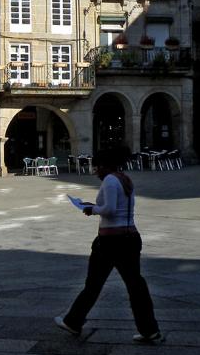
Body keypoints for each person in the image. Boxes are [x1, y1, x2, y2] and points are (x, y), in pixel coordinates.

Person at [55, 147, 162, 344]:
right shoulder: (124, 178)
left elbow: (110, 210)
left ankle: (73, 321)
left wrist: (91, 209)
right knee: (135, 285)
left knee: (94, 284)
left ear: (105, 165)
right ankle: (149, 330)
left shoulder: (110, 180)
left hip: (111, 241)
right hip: (130, 237)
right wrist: (94, 207)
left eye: (97, 167)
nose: (95, 171)